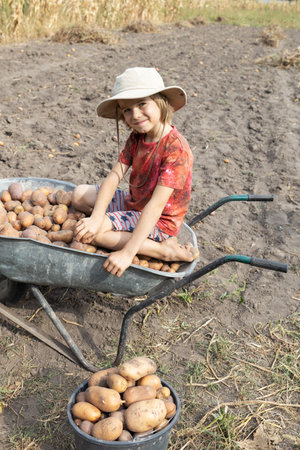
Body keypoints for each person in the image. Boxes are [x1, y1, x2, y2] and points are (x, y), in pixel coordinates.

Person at [72, 67, 198, 277]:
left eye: (142, 104)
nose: (135, 115)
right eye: (127, 110)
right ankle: (118, 225)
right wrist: (95, 216)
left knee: (97, 234)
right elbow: (114, 176)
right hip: (135, 202)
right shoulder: (137, 138)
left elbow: (156, 206)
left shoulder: (176, 149)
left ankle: (163, 251)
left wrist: (128, 253)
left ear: (160, 101)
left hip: (160, 220)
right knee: (78, 195)